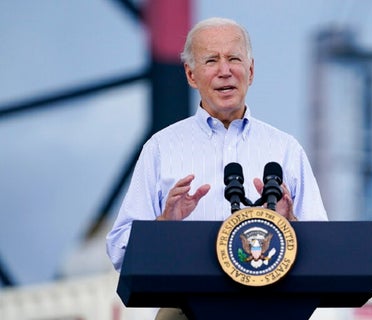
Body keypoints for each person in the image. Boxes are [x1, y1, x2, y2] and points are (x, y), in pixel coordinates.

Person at [106, 16, 328, 319]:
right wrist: (163, 225)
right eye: (211, 60)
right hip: (185, 307)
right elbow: (119, 250)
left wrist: (292, 223)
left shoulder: (286, 149)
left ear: (250, 71)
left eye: (234, 59)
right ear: (191, 74)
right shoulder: (160, 148)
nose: (225, 71)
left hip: (271, 306)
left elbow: (327, 251)